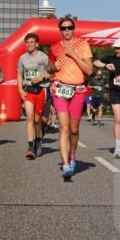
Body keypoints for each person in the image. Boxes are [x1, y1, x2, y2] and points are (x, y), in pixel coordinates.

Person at [47, 15, 93, 178]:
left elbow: (89, 70)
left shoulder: (82, 45)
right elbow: (49, 68)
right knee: (64, 128)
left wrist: (73, 55)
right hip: (59, 89)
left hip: (78, 91)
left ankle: (72, 155)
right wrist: (53, 67)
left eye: (69, 28)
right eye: (63, 28)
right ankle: (65, 164)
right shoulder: (54, 47)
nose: (67, 31)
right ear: (60, 30)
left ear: (74, 29)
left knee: (74, 130)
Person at [17, 32, 51, 159]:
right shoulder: (22, 58)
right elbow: (20, 75)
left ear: (37, 44)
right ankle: (30, 147)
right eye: (27, 42)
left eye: (32, 42)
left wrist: (41, 77)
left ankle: (38, 140)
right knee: (30, 118)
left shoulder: (43, 57)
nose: (29, 44)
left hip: (42, 90)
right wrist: (20, 89)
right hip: (28, 90)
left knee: (38, 120)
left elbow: (51, 73)